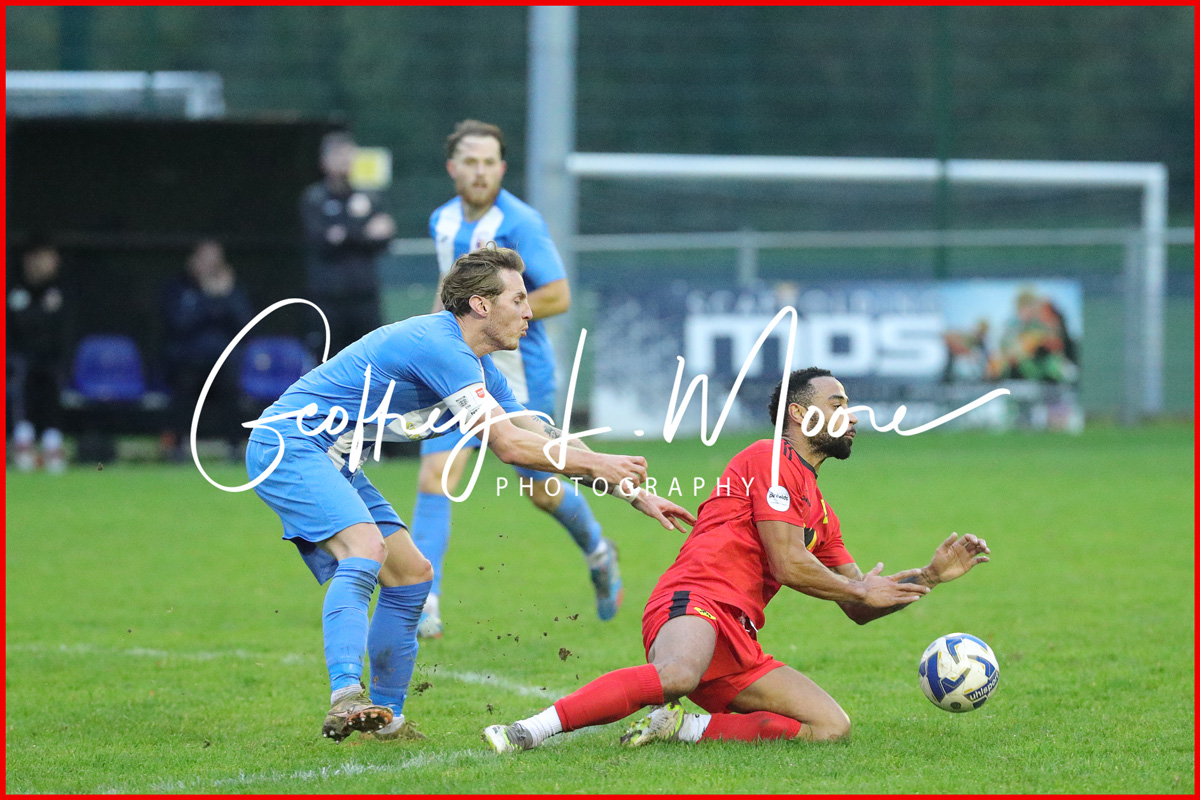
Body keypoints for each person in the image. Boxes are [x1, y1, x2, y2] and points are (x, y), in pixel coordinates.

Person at [244, 245, 694, 743]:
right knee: (367, 550)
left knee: (412, 576)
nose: (529, 311)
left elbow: (539, 436)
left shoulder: (478, 367)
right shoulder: (440, 345)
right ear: (481, 304)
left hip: (335, 458)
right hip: (290, 446)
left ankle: (384, 721)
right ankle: (347, 696)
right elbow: (508, 447)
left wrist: (632, 492)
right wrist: (603, 462)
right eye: (519, 299)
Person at [484, 366, 991, 753]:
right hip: (695, 600)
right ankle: (527, 730)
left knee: (830, 727)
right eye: (837, 404)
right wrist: (859, 589)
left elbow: (858, 601)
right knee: (678, 674)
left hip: (738, 633)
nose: (851, 415)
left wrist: (928, 577)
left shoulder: (822, 514)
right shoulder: (768, 460)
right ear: (799, 413)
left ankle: (684, 726)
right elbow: (791, 564)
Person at [411, 119, 618, 640]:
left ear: (501, 168)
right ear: (452, 168)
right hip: (459, 371)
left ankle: (598, 548)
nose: (480, 172)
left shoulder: (520, 222)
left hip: (520, 376)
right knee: (436, 476)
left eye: (489, 163)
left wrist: (497, 312)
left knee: (543, 492)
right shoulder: (440, 221)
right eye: (470, 162)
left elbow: (558, 296)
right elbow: (448, 294)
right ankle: (424, 599)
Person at [299, 130, 396, 356]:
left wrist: (346, 233)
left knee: (373, 362)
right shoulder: (314, 199)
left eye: (348, 155)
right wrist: (362, 229)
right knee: (328, 363)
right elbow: (323, 242)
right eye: (338, 155)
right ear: (324, 162)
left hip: (365, 299)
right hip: (329, 301)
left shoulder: (369, 197)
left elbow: (384, 238)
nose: (345, 161)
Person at [161, 240, 254, 461]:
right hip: (188, 360)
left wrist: (226, 296)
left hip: (223, 362)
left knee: (232, 382)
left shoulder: (231, 289)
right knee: (183, 384)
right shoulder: (179, 288)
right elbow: (179, 323)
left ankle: (235, 447)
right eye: (205, 260)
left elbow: (246, 324)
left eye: (215, 261)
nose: (210, 266)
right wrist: (208, 296)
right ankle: (177, 446)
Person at [7, 236, 70, 473]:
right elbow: (20, 325)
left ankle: (52, 446)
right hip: (21, 361)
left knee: (52, 389)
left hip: (51, 360)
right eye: (47, 258)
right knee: (22, 382)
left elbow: (57, 327)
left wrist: (38, 315)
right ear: (30, 260)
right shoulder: (15, 287)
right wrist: (42, 311)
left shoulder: (59, 288)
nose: (53, 263)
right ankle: (23, 444)